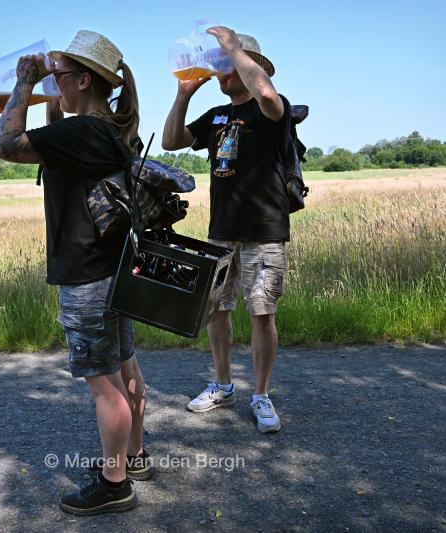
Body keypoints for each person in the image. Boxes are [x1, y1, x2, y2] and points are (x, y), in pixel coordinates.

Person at [0, 29, 151, 515]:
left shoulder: (83, 133)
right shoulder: (105, 130)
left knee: (103, 383)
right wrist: (51, 92)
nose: (51, 79)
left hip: (87, 276)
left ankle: (114, 485)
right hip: (114, 269)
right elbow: (54, 131)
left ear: (84, 80)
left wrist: (24, 82)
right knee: (125, 367)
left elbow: (5, 144)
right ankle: (134, 456)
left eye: (59, 75)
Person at [162, 28, 291, 434]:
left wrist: (233, 48)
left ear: (246, 65)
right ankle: (222, 385)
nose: (222, 71)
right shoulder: (217, 115)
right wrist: (184, 95)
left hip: (263, 232)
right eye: (220, 63)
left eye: (228, 64)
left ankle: (261, 394)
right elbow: (170, 140)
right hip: (221, 232)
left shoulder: (272, 108)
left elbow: (266, 94)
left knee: (261, 314)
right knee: (217, 309)